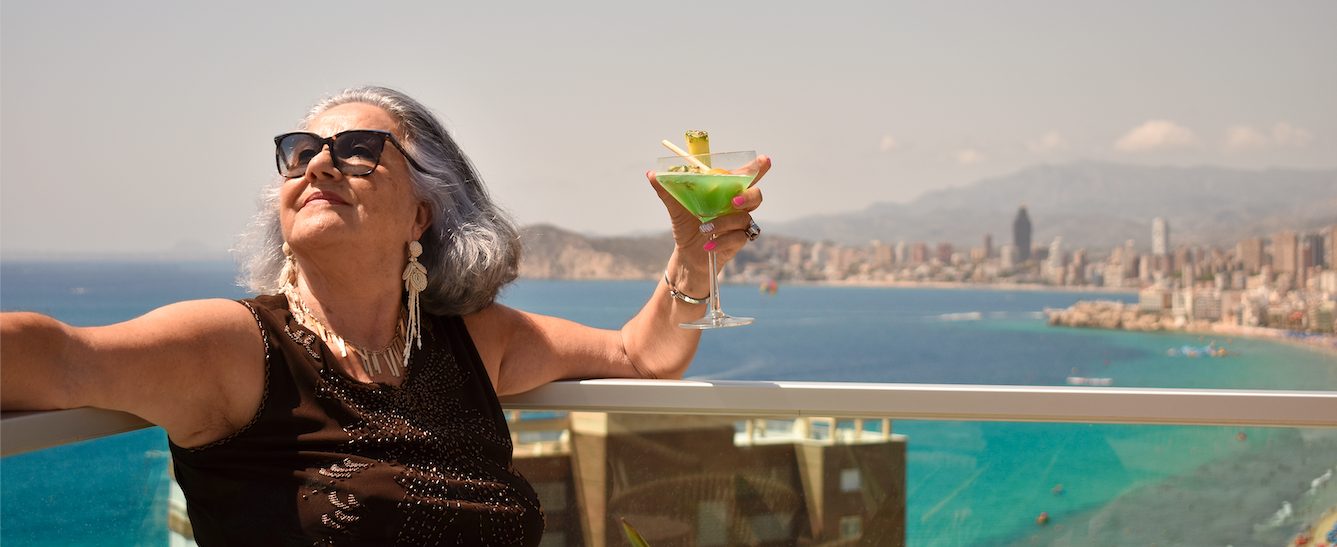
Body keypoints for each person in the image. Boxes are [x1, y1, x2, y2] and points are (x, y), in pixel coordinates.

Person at [0, 86, 768, 546]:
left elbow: (640, 357)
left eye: (360, 148)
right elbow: (60, 356)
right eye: (300, 150)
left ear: (423, 212)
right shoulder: (236, 345)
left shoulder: (471, 342)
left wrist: (693, 250)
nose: (319, 164)